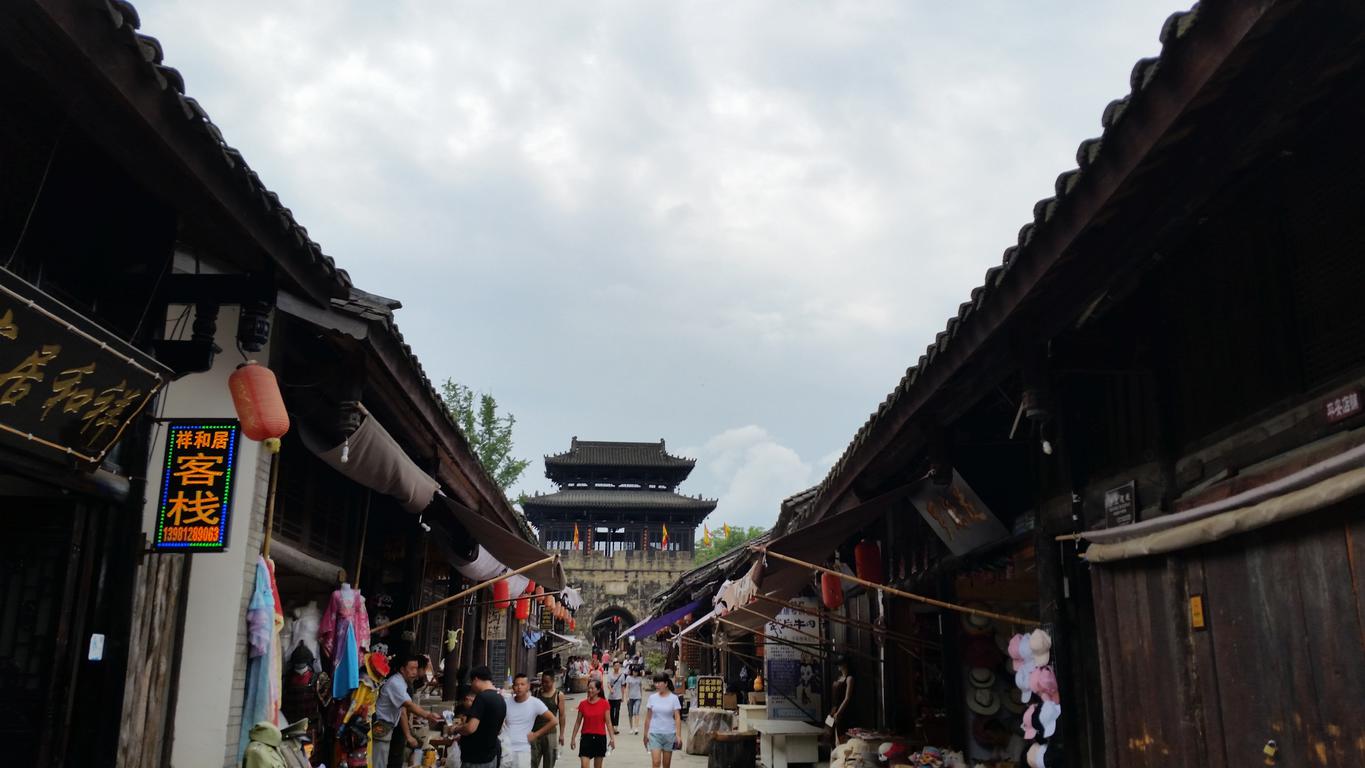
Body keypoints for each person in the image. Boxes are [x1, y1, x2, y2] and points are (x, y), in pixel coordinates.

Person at [374, 654, 444, 768]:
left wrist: (408, 735)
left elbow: (402, 711)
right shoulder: (395, 683)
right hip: (382, 725)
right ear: (402, 669)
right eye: (411, 668)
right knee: (379, 762)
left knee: (382, 760)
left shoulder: (401, 683)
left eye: (416, 668)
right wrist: (428, 715)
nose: (415, 672)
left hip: (388, 727)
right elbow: (409, 705)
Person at [452, 665, 508, 768]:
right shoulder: (500, 698)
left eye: (471, 682)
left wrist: (456, 728)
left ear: (476, 679)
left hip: (476, 759)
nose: (472, 686)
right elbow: (499, 729)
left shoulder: (482, 697)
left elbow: (470, 728)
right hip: (491, 756)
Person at [503, 673, 558, 768]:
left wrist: (536, 734)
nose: (519, 687)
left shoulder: (535, 703)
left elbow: (554, 720)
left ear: (528, 686)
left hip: (523, 749)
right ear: (513, 687)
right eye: (516, 685)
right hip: (505, 749)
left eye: (522, 684)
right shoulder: (506, 703)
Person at [569, 678, 616, 768]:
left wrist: (612, 739)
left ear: (598, 690)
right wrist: (573, 738)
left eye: (592, 688)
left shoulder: (604, 704)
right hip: (586, 738)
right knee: (584, 765)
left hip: (600, 738)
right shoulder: (582, 704)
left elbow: (608, 723)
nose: (589, 690)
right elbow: (578, 722)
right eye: (588, 688)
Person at [642, 673, 683, 768]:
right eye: (655, 683)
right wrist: (645, 735)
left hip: (669, 734)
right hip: (655, 734)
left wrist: (678, 735)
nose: (657, 685)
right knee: (656, 762)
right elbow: (648, 718)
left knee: (666, 764)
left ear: (666, 683)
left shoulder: (674, 698)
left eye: (659, 682)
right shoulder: (652, 698)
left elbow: (677, 718)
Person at [531, 671, 566, 768]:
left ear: (553, 681)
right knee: (532, 761)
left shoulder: (559, 695)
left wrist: (562, 734)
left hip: (550, 734)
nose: (544, 684)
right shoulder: (536, 692)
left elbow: (562, 716)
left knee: (549, 762)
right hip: (535, 732)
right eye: (543, 681)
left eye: (547, 682)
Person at [830, 656, 854, 746]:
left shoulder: (849, 678)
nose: (838, 666)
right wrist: (833, 712)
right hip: (833, 709)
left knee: (840, 735)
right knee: (829, 733)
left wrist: (839, 712)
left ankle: (841, 756)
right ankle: (833, 756)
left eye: (840, 663)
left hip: (842, 710)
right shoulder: (839, 677)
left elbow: (847, 698)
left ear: (845, 664)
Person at [604, 661, 625, 730]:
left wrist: (622, 696)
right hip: (611, 696)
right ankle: (612, 725)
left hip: (618, 696)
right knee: (611, 711)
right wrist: (610, 689)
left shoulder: (622, 675)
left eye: (618, 665)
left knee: (617, 711)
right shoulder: (610, 674)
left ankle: (616, 726)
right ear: (613, 667)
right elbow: (608, 683)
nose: (617, 667)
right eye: (616, 665)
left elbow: (622, 686)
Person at [624, 665, 644, 734]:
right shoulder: (628, 678)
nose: (635, 673)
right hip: (630, 697)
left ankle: (636, 728)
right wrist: (627, 697)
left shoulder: (639, 678)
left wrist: (641, 696)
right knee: (630, 713)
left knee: (636, 712)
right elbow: (627, 688)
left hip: (637, 697)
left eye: (636, 672)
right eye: (634, 672)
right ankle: (631, 727)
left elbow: (641, 687)